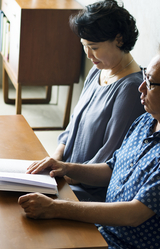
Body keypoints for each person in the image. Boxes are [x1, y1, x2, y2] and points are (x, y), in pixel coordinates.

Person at [8, 42, 160, 249]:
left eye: (151, 83)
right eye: (144, 77)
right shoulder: (147, 120)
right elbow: (111, 168)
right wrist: (63, 167)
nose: (140, 89)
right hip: (104, 231)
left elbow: (134, 214)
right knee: (39, 248)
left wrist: (57, 208)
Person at [54, 0, 145, 202]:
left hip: (90, 190)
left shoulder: (131, 89)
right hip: (66, 174)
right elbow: (73, 125)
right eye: (84, 46)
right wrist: (56, 158)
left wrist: (66, 174)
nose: (88, 55)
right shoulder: (99, 70)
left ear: (119, 39)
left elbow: (110, 158)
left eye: (94, 47)